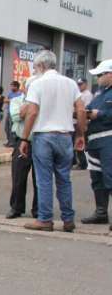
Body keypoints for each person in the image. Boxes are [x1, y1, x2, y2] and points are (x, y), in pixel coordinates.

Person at [19, 50, 87, 232]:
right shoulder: (70, 83)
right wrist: (80, 134)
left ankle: (45, 219)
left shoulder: (37, 84)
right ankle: (68, 218)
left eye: (35, 67)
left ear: (41, 66)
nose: (35, 71)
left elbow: (32, 112)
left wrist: (25, 138)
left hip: (44, 136)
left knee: (44, 180)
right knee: (64, 179)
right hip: (65, 135)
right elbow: (81, 111)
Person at [81, 59, 112, 229]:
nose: (98, 79)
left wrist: (99, 114)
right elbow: (90, 108)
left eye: (100, 75)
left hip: (108, 140)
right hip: (94, 140)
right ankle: (101, 213)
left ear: (110, 74)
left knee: (110, 176)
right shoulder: (100, 93)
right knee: (97, 178)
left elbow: (103, 114)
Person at [6, 76, 39, 219]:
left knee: (40, 178)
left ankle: (38, 209)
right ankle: (16, 207)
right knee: (18, 176)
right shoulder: (16, 100)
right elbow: (16, 116)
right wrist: (29, 105)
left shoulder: (42, 101)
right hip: (22, 141)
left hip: (40, 141)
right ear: (24, 88)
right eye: (29, 86)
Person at [73, 78, 94, 170]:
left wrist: (84, 124)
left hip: (82, 121)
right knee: (75, 142)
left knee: (80, 142)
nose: (79, 86)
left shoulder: (87, 95)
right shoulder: (79, 94)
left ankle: (83, 163)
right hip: (76, 120)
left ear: (85, 84)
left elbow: (86, 111)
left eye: (81, 84)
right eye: (78, 84)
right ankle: (77, 161)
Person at [4, 81, 23, 147]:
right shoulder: (10, 93)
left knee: (12, 128)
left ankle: (13, 142)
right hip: (8, 112)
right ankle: (9, 141)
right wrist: (13, 100)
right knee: (6, 128)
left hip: (15, 113)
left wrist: (11, 100)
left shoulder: (19, 94)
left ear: (16, 86)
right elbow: (5, 100)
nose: (11, 87)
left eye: (12, 86)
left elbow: (19, 102)